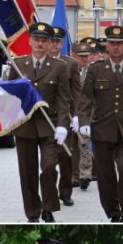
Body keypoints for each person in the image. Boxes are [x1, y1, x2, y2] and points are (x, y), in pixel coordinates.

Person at [76, 25, 123, 223]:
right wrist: (83, 121)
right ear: (107, 46)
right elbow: (85, 99)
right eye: (112, 43)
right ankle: (113, 211)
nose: (116, 47)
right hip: (102, 129)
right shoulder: (96, 69)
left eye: (119, 44)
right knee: (105, 173)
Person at [5, 22, 71, 223]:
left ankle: (48, 207)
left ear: (51, 43)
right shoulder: (19, 64)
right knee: (27, 171)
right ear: (30, 41)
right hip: (25, 125)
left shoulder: (60, 67)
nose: (40, 44)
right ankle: (32, 211)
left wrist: (62, 125)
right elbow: (10, 94)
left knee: (50, 166)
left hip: (49, 125)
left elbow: (64, 98)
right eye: (37, 40)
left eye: (44, 40)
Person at [47, 26, 80, 207]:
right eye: (52, 41)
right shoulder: (40, 62)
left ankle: (65, 191)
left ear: (62, 44)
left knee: (65, 155)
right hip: (46, 118)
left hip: (65, 117)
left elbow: (77, 93)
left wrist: (77, 116)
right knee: (49, 159)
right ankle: (49, 189)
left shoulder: (70, 63)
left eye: (58, 41)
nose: (54, 45)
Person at [72, 39, 96, 191]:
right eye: (81, 56)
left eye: (87, 56)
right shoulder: (67, 69)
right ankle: (74, 175)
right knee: (72, 146)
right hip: (71, 114)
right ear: (74, 56)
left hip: (87, 113)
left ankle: (85, 175)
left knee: (85, 144)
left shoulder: (93, 71)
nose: (85, 59)